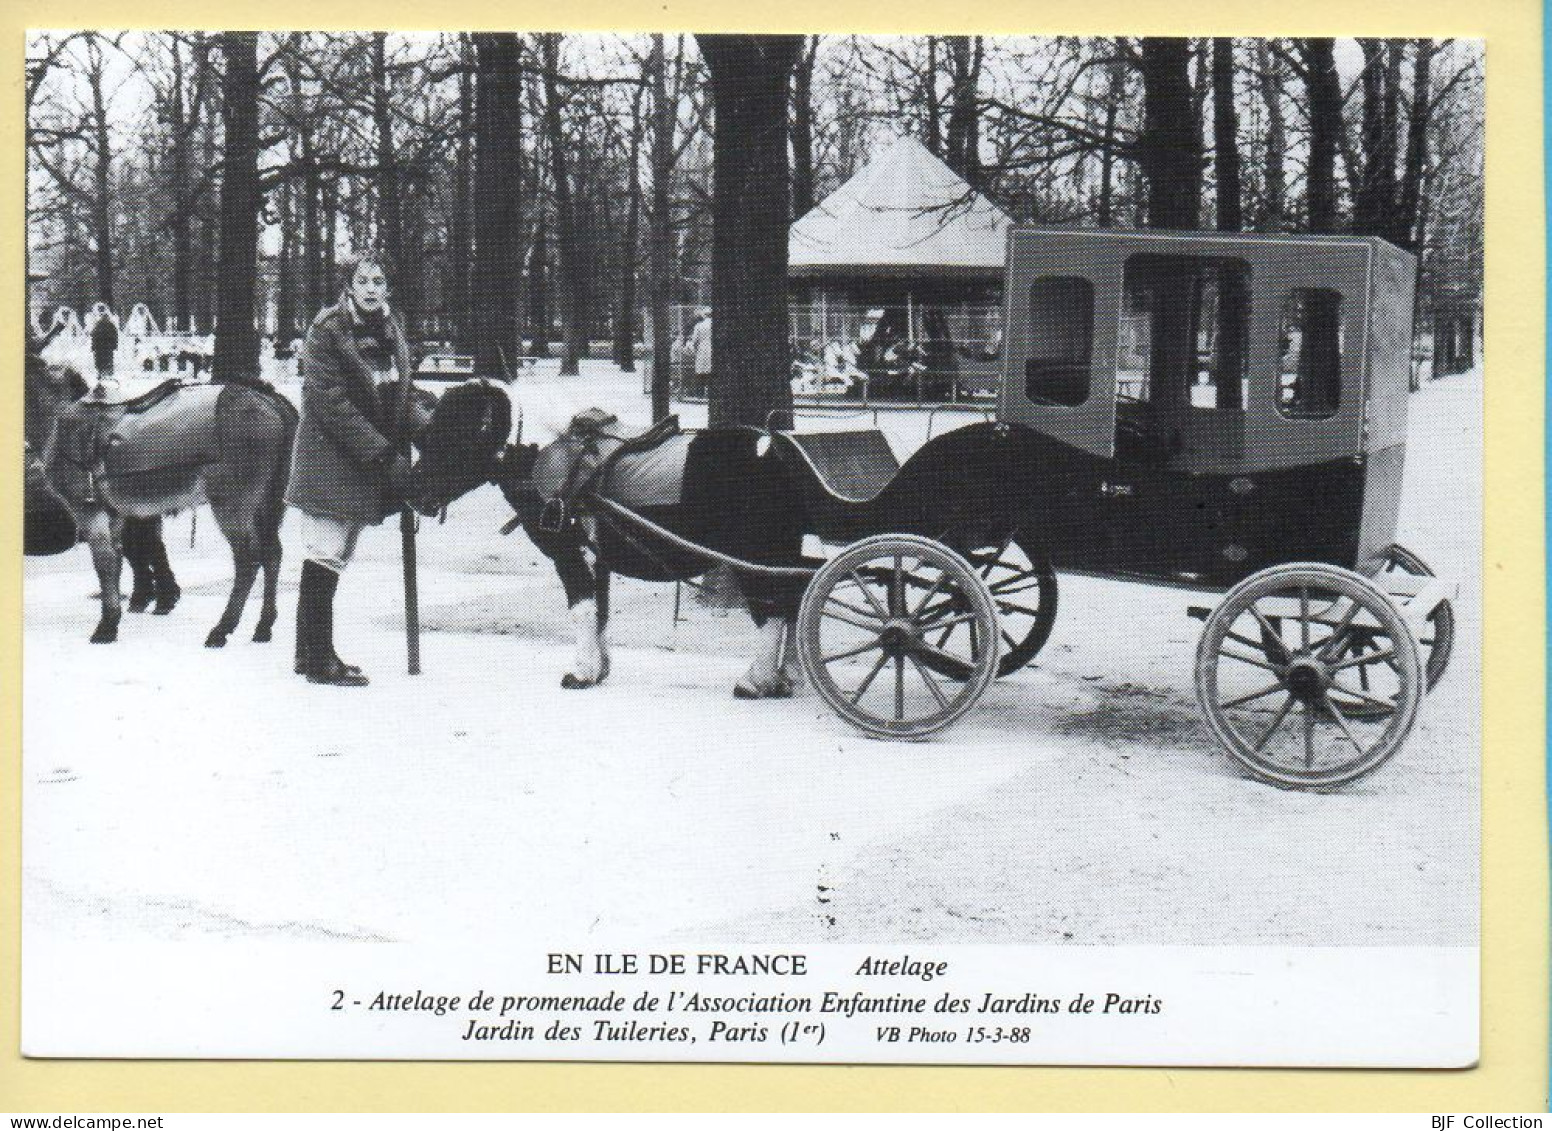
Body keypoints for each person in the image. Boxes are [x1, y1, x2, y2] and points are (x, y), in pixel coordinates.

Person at [285, 251, 418, 687]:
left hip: (363, 462)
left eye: (379, 281)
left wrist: (425, 426)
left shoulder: (390, 328)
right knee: (325, 552)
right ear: (350, 286)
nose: (372, 288)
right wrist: (382, 454)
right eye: (364, 281)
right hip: (331, 459)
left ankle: (308, 653)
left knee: (335, 555)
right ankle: (320, 659)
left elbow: (398, 390)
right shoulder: (327, 331)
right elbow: (331, 403)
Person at [686, 307, 712, 397]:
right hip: (712, 349)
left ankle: (700, 394)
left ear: (704, 315)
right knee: (710, 371)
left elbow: (694, 340)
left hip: (702, 349)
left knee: (700, 371)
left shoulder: (699, 326)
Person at [89, 302, 119, 380]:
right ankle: (101, 373)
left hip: (106, 346)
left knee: (107, 359)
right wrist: (93, 346)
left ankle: (108, 373)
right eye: (103, 317)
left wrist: (115, 345)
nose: (104, 318)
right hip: (100, 346)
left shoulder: (110, 325)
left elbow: (115, 335)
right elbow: (94, 336)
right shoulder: (97, 325)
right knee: (100, 360)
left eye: (105, 317)